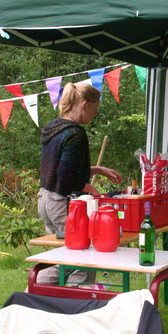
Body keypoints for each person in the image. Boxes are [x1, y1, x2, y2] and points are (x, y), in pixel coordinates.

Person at [36, 81, 123, 285]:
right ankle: (38, 285)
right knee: (83, 253)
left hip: (46, 200)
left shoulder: (54, 127)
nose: (94, 114)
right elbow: (66, 178)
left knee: (66, 253)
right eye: (94, 109)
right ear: (84, 105)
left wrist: (97, 170)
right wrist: (88, 187)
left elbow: (58, 169)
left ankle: (61, 298)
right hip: (63, 204)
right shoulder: (76, 133)